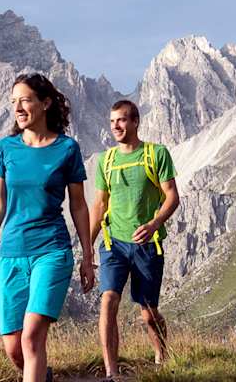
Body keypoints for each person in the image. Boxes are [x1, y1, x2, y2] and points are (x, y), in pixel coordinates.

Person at [0, 73, 97, 382]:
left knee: (32, 337)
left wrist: (87, 256)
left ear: (45, 103)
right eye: (14, 102)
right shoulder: (5, 149)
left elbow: (79, 205)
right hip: (12, 253)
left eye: (25, 100)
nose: (18, 108)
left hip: (52, 250)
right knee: (14, 348)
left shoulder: (67, 149)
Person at [90, 100, 180, 381]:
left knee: (148, 313)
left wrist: (154, 224)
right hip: (113, 243)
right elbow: (100, 205)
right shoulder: (106, 160)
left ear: (135, 122)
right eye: (112, 121)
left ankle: (161, 357)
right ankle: (111, 373)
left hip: (147, 245)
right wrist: (86, 247)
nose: (115, 126)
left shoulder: (156, 154)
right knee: (108, 300)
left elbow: (172, 196)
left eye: (121, 120)